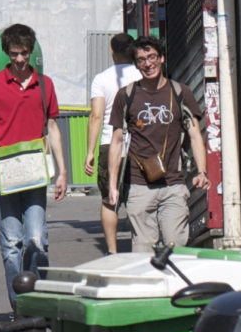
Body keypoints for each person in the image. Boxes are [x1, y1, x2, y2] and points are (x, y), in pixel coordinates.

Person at [0, 23, 68, 311]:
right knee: (12, 243)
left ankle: (38, 299)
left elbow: (52, 127)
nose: (19, 59)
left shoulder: (45, 84)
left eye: (25, 53)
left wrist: (63, 172)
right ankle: (21, 306)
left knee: (37, 239)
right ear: (7, 52)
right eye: (15, 53)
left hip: (34, 169)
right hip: (0, 171)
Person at [109, 38, 208, 250]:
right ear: (136, 64)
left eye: (152, 57)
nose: (147, 64)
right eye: (141, 60)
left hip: (173, 183)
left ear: (161, 58)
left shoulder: (181, 93)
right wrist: (113, 185)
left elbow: (195, 135)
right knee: (142, 249)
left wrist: (202, 171)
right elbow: (116, 142)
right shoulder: (126, 95)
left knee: (176, 246)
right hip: (138, 184)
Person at [86, 33, 144, 255]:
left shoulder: (101, 79)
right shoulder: (142, 74)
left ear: (112, 51)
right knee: (139, 196)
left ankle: (112, 251)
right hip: (139, 143)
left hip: (110, 143)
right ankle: (140, 248)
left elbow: (96, 116)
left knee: (109, 199)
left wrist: (90, 152)